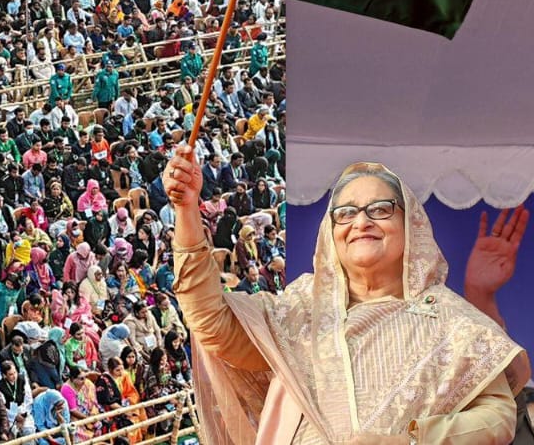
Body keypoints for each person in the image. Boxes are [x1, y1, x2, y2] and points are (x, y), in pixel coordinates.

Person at [165, 156, 528, 444]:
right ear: (331, 231)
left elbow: (497, 417)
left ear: (411, 226)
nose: (361, 222)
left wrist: (408, 441)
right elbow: (210, 321)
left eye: (380, 209)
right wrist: (186, 211)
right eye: (346, 213)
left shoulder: (451, 320)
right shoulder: (299, 310)